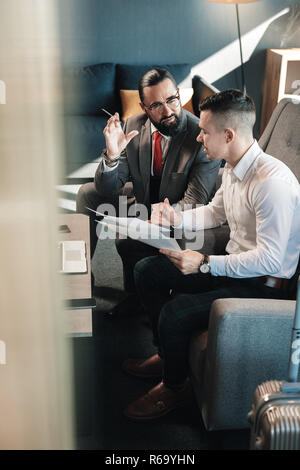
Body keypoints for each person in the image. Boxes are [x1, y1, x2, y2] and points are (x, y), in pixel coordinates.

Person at [122, 89, 300, 421]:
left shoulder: (270, 183)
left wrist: (204, 263)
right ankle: (168, 354)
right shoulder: (233, 166)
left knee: (175, 313)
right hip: (232, 266)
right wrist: (176, 217)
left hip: (261, 285)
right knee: (148, 271)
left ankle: (174, 388)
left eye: (205, 131)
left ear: (228, 134)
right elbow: (214, 213)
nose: (199, 136)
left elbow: (273, 260)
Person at [76, 68, 221, 315]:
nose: (168, 111)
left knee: (128, 239)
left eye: (172, 100)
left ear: (178, 95)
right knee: (88, 193)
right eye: (156, 105)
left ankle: (138, 297)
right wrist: (112, 156)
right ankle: (80, 282)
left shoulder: (200, 136)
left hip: (175, 214)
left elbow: (195, 201)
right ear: (144, 108)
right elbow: (109, 187)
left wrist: (151, 222)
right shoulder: (133, 125)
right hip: (141, 200)